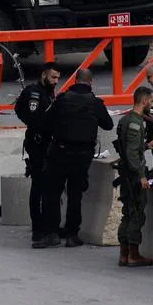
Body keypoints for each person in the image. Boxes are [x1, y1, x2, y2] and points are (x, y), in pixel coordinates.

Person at [35, 68, 113, 249]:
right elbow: (108, 124)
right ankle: (72, 234)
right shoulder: (95, 102)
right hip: (83, 154)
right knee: (75, 194)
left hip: (60, 152)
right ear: (90, 83)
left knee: (52, 193)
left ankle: (51, 233)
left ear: (75, 80)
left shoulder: (62, 100)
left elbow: (46, 121)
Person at [13, 62, 60, 244]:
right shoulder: (35, 93)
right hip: (38, 144)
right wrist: (42, 128)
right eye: (53, 77)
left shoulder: (48, 92)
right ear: (44, 75)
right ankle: (38, 229)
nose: (56, 81)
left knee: (48, 187)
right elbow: (32, 117)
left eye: (57, 77)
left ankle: (48, 226)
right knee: (39, 187)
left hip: (48, 143)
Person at [115, 87, 153, 267]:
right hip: (133, 174)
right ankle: (133, 254)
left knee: (127, 212)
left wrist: (147, 145)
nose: (152, 105)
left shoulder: (125, 120)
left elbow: (130, 148)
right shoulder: (136, 124)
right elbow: (131, 153)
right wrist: (141, 175)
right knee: (136, 212)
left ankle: (124, 254)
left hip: (125, 172)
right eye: (151, 101)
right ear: (144, 100)